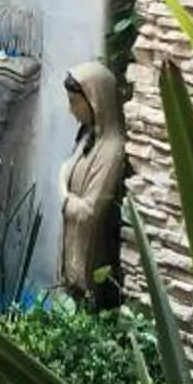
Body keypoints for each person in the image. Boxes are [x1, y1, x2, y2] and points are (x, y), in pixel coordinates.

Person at [56, 61, 127, 307]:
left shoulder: (111, 150)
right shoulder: (88, 136)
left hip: (93, 264)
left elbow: (90, 211)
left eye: (75, 102)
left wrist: (64, 195)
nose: (71, 110)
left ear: (95, 100)